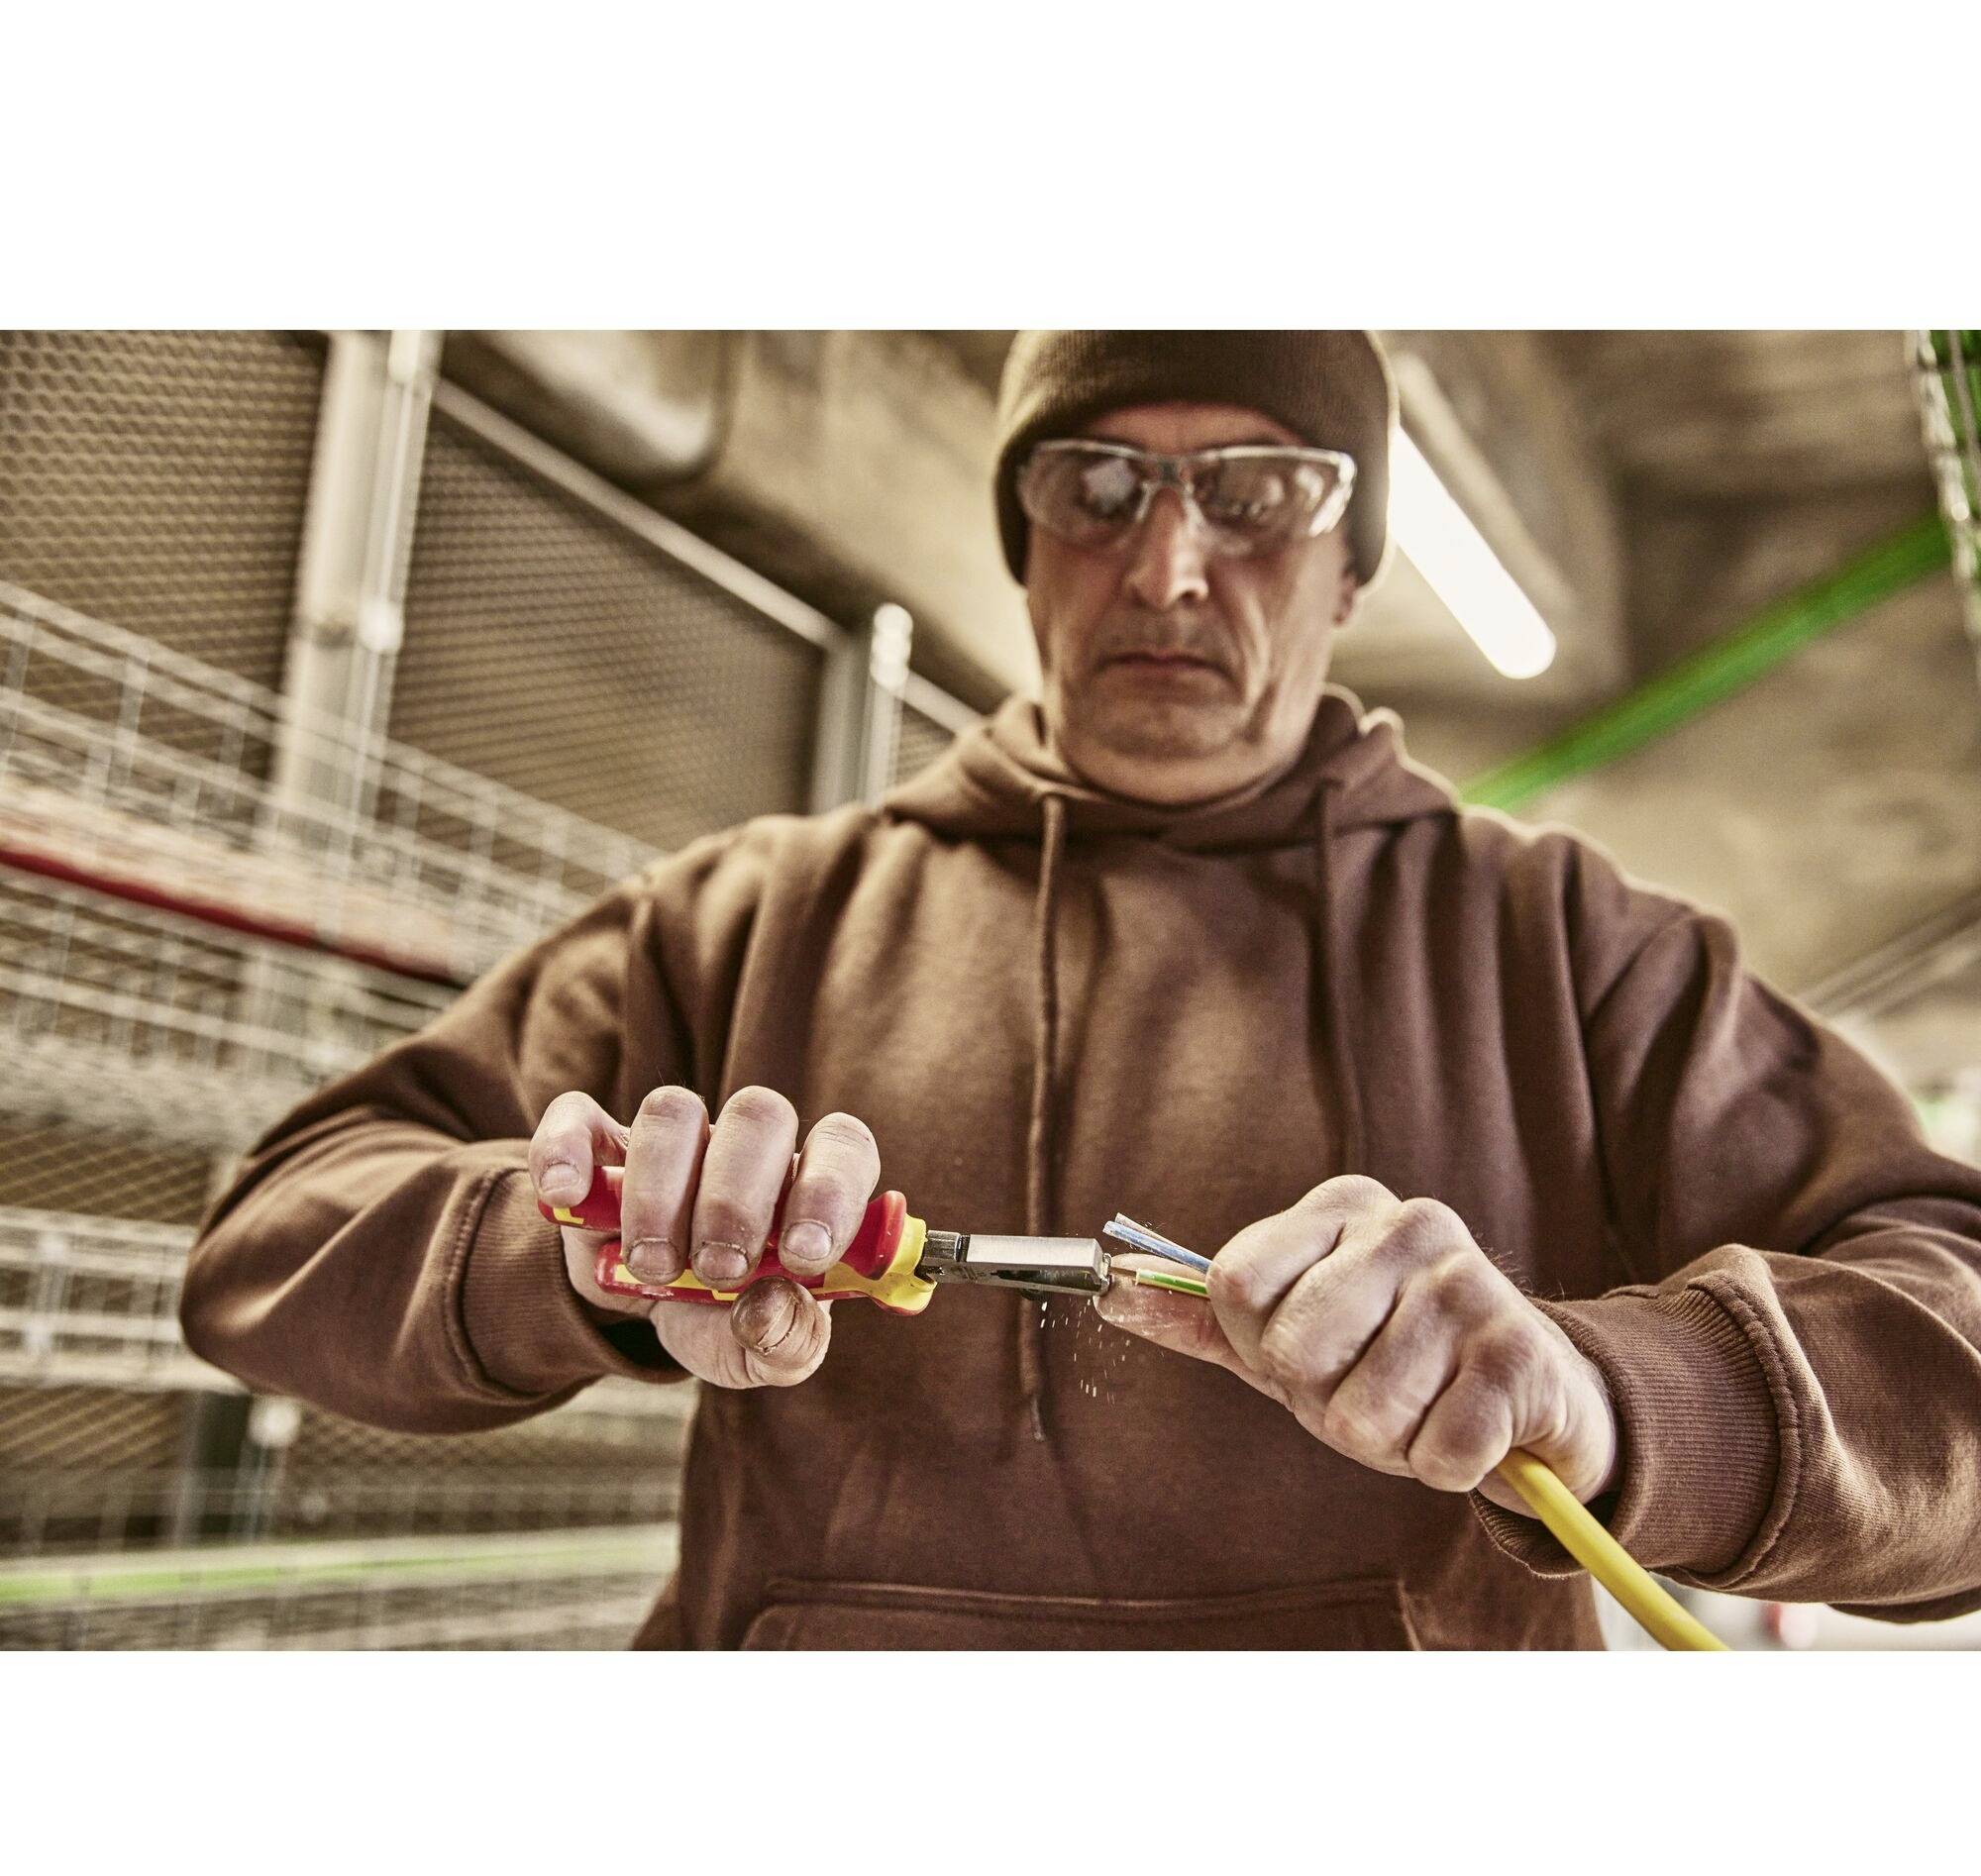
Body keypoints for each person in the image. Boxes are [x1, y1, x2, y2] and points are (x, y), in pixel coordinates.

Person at [181, 331, 1981, 1649]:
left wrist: (1605, 1392)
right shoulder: (741, 927)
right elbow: (269, 1247)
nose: (1171, 564)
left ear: (1351, 571)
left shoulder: (1569, 951)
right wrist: (562, 1252)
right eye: (1096, 486)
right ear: (1025, 540)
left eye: (1263, 495)